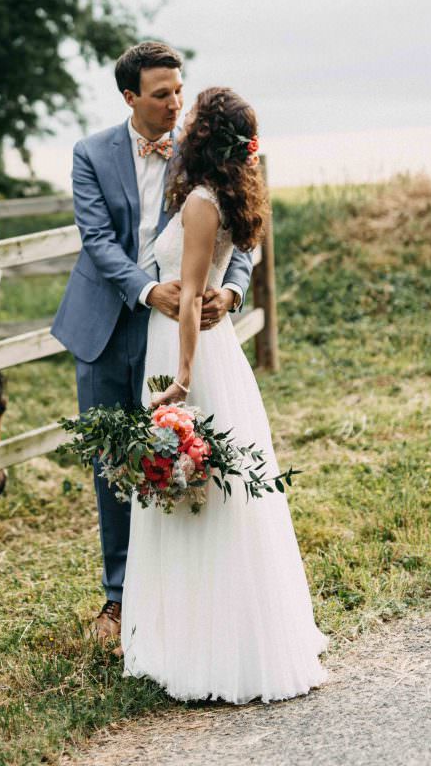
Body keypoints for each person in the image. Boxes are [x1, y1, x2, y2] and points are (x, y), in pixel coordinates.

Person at [120, 86, 328, 703]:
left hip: (189, 356)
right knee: (201, 488)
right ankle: (195, 630)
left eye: (192, 121)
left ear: (202, 137)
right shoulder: (230, 197)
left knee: (197, 490)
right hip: (208, 352)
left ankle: (206, 643)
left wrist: (181, 379)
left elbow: (186, 297)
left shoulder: (204, 203)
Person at [51, 43, 253, 640]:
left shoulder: (196, 151)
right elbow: (97, 240)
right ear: (130, 97)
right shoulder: (90, 153)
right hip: (107, 324)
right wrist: (147, 292)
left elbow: (242, 229)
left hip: (179, 333)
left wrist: (232, 293)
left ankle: (182, 596)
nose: (175, 103)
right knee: (114, 458)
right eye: (161, 93)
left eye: (179, 90)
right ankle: (119, 599)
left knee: (182, 456)